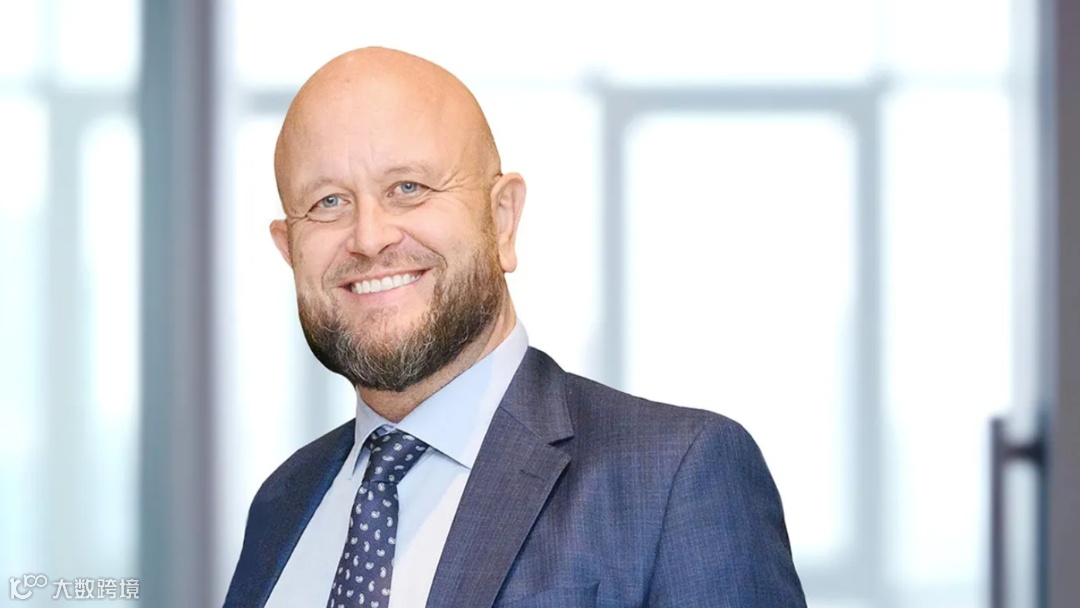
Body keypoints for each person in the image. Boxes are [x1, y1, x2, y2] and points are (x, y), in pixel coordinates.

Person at [223, 47, 806, 608]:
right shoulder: (282, 503)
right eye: (328, 202)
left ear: (502, 219)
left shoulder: (675, 479)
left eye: (408, 188)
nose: (370, 237)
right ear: (288, 248)